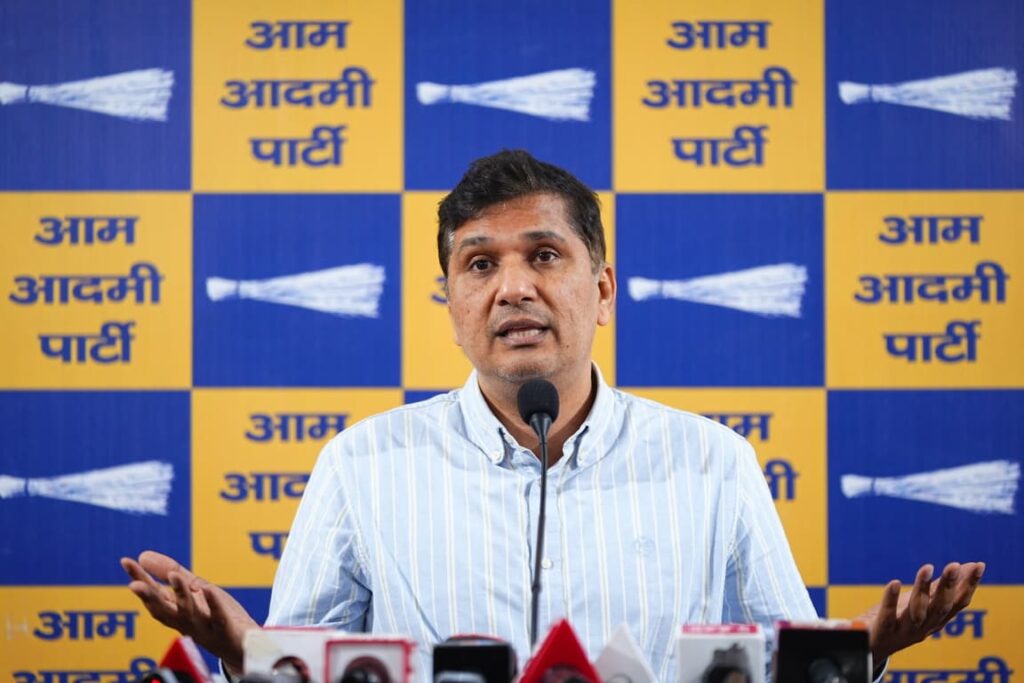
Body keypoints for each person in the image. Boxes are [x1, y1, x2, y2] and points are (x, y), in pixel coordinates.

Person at [122, 150, 985, 681]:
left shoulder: (712, 460)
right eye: (479, 264)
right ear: (451, 302)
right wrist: (243, 650)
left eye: (544, 255)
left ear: (602, 290)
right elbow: (304, 675)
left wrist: (862, 651)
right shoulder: (361, 463)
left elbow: (780, 669)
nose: (513, 288)